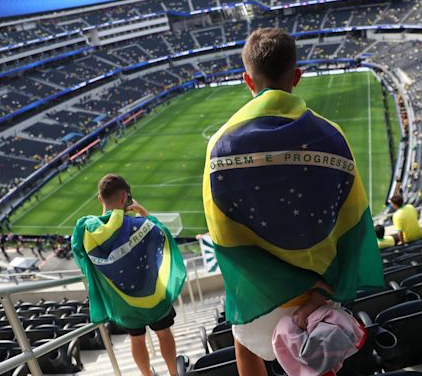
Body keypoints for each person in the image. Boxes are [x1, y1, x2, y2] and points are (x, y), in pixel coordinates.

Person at [202, 28, 384, 376]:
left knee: (243, 339)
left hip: (261, 291)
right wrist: (331, 287)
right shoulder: (332, 135)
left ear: (247, 80)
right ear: (296, 76)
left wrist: (266, 285)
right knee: (318, 355)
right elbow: (355, 220)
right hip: (321, 286)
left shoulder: (221, 145)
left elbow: (223, 236)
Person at [71, 174, 186, 376]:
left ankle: (146, 375)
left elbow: (81, 258)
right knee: (163, 333)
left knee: (136, 338)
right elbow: (162, 234)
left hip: (123, 303)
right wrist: (144, 213)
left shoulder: (87, 234)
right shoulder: (140, 224)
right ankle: (173, 374)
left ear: (100, 199)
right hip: (153, 295)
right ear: (125, 198)